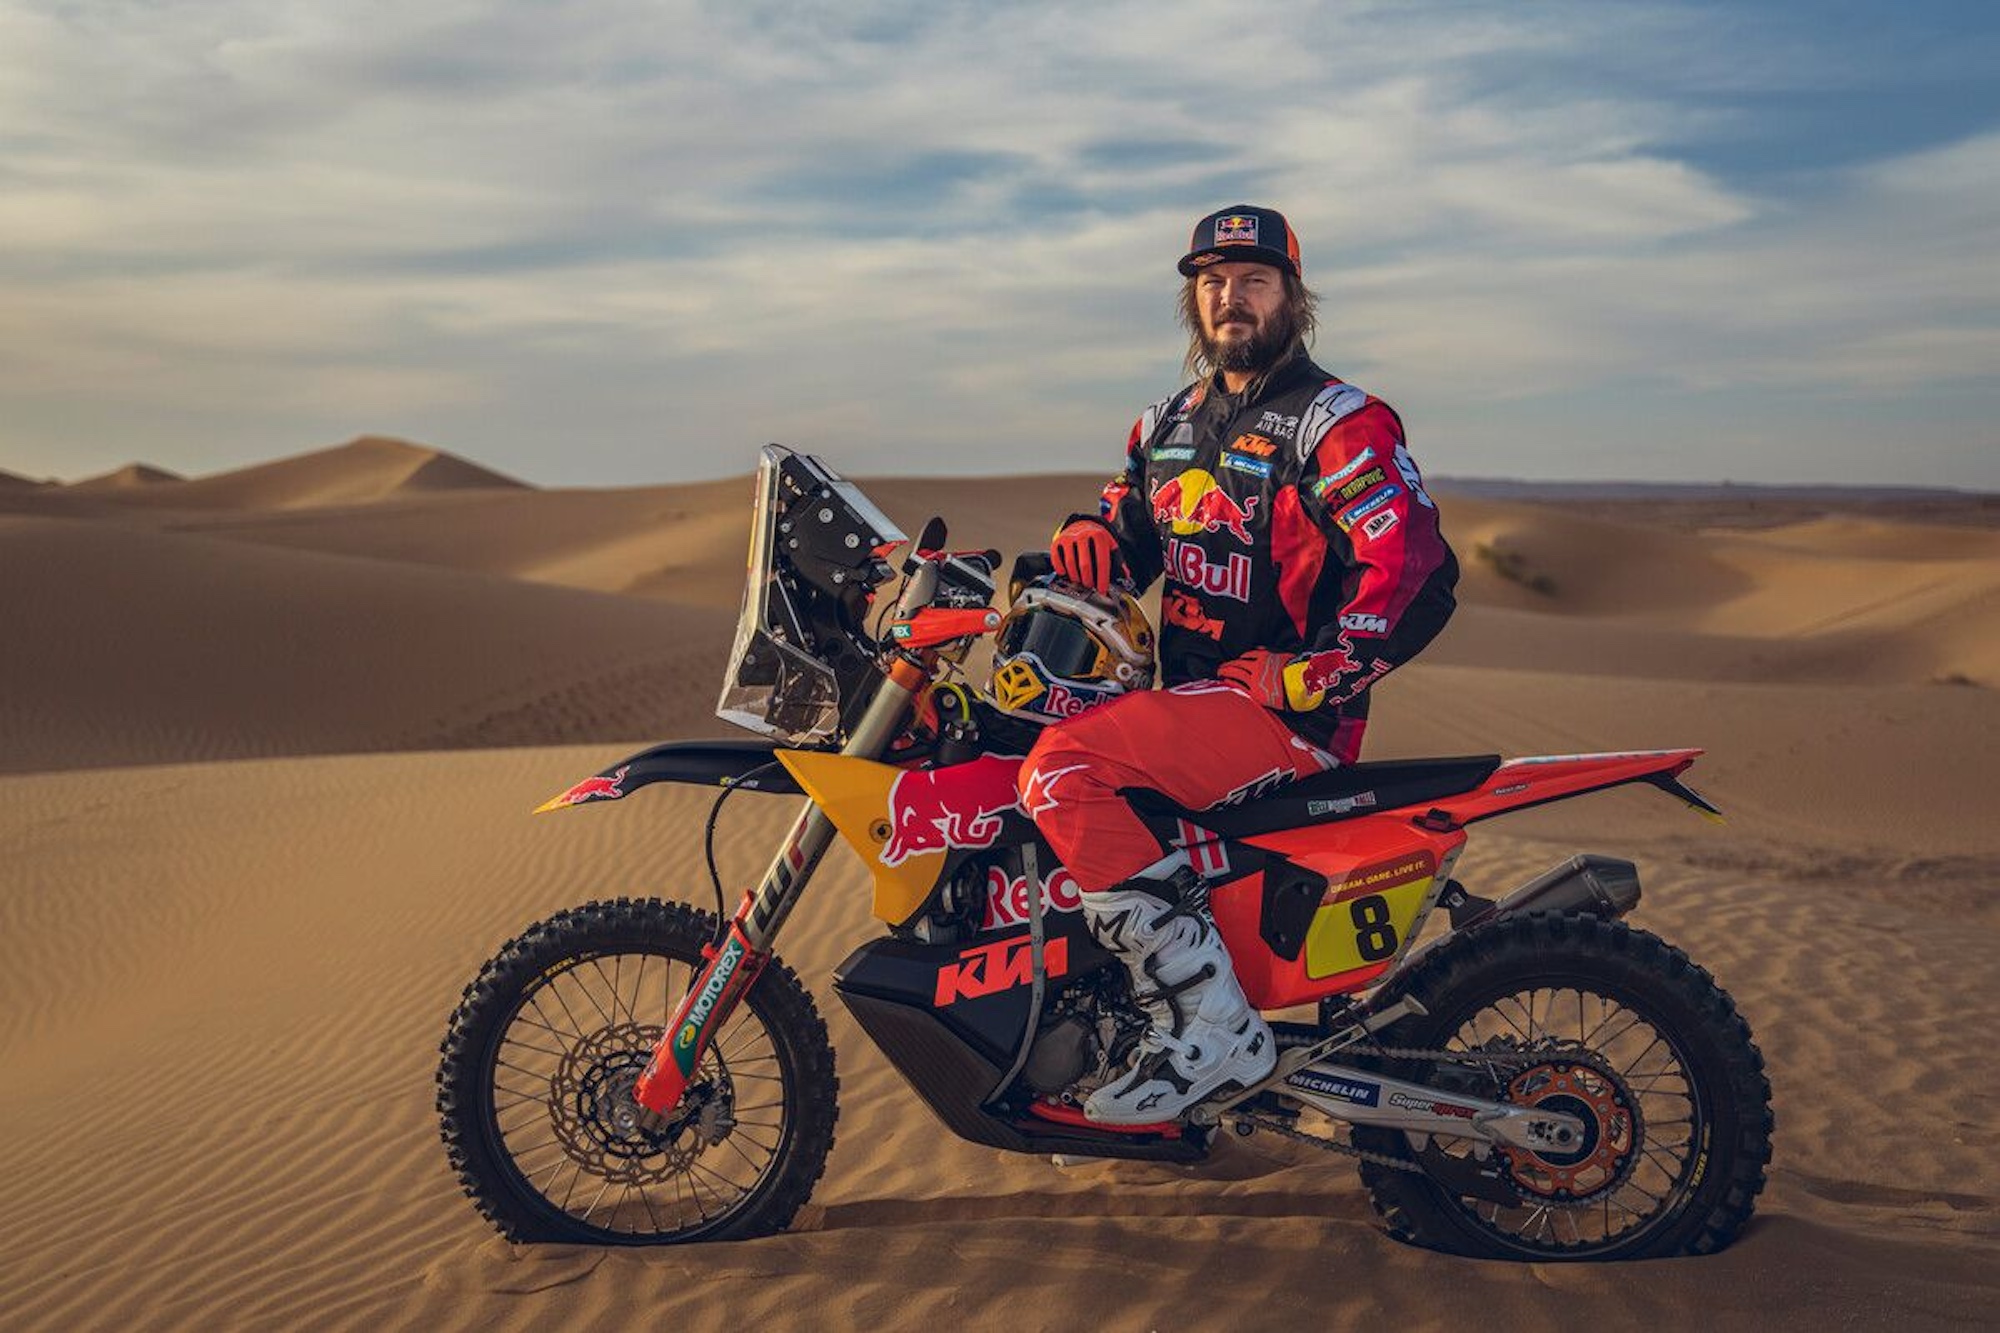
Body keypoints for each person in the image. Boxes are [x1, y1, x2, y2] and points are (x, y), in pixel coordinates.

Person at [1020, 205, 1459, 1124]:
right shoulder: (1167, 424)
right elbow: (1131, 535)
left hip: (1281, 725)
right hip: (1187, 712)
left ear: (1292, 297)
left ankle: (1211, 1025)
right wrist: (1091, 535)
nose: (1231, 297)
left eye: (1254, 280)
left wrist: (1306, 678)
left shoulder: (1334, 424)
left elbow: (1413, 575)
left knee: (1062, 770)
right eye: (1213, 282)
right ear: (1193, 298)